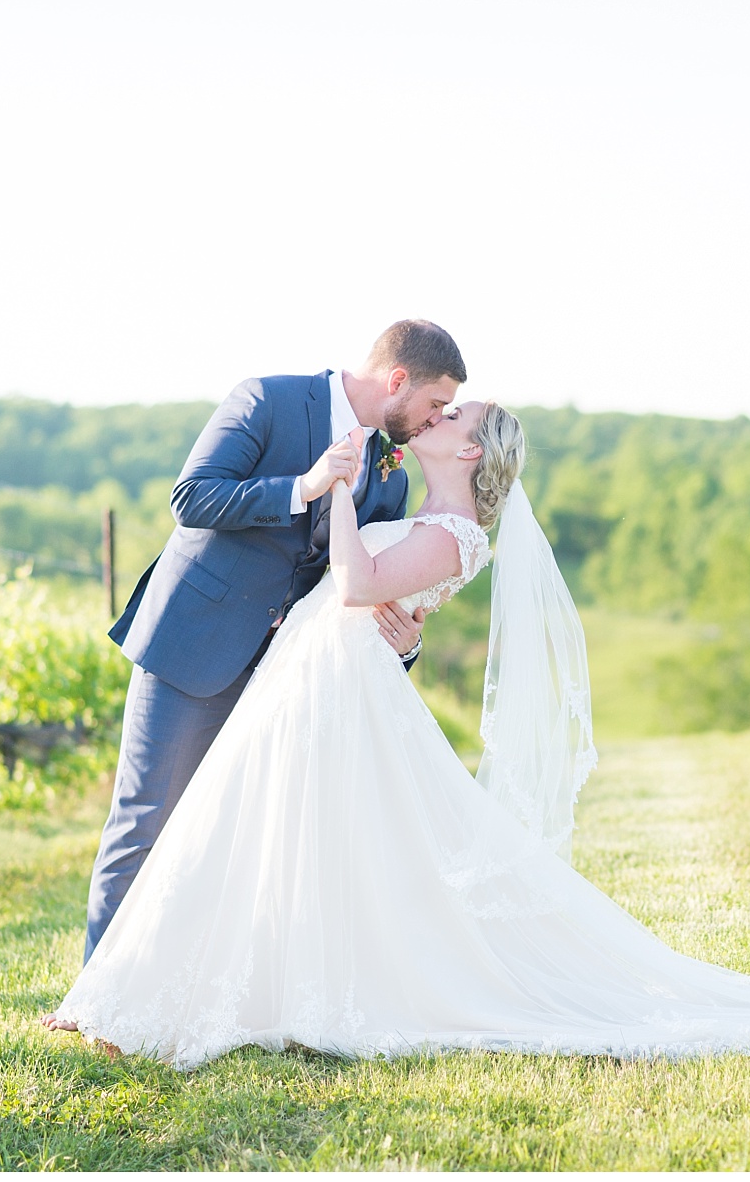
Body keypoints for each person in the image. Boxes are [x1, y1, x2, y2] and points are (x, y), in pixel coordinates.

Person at [48, 399, 750, 1068]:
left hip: (338, 689)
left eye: (454, 417)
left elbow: (355, 581)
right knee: (276, 832)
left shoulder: (454, 529)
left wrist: (338, 488)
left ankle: (253, 988)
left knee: (322, 834)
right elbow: (354, 593)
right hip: (317, 681)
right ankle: (203, 980)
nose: (435, 418)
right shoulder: (421, 506)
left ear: (470, 451)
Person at [62, 320, 468, 1000]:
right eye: (433, 404)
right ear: (397, 380)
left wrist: (407, 644)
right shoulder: (267, 400)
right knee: (145, 822)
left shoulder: (391, 477)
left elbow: (356, 589)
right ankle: (96, 997)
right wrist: (302, 486)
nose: (433, 422)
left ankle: (193, 992)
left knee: (239, 836)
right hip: (196, 644)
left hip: (285, 676)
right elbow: (191, 497)